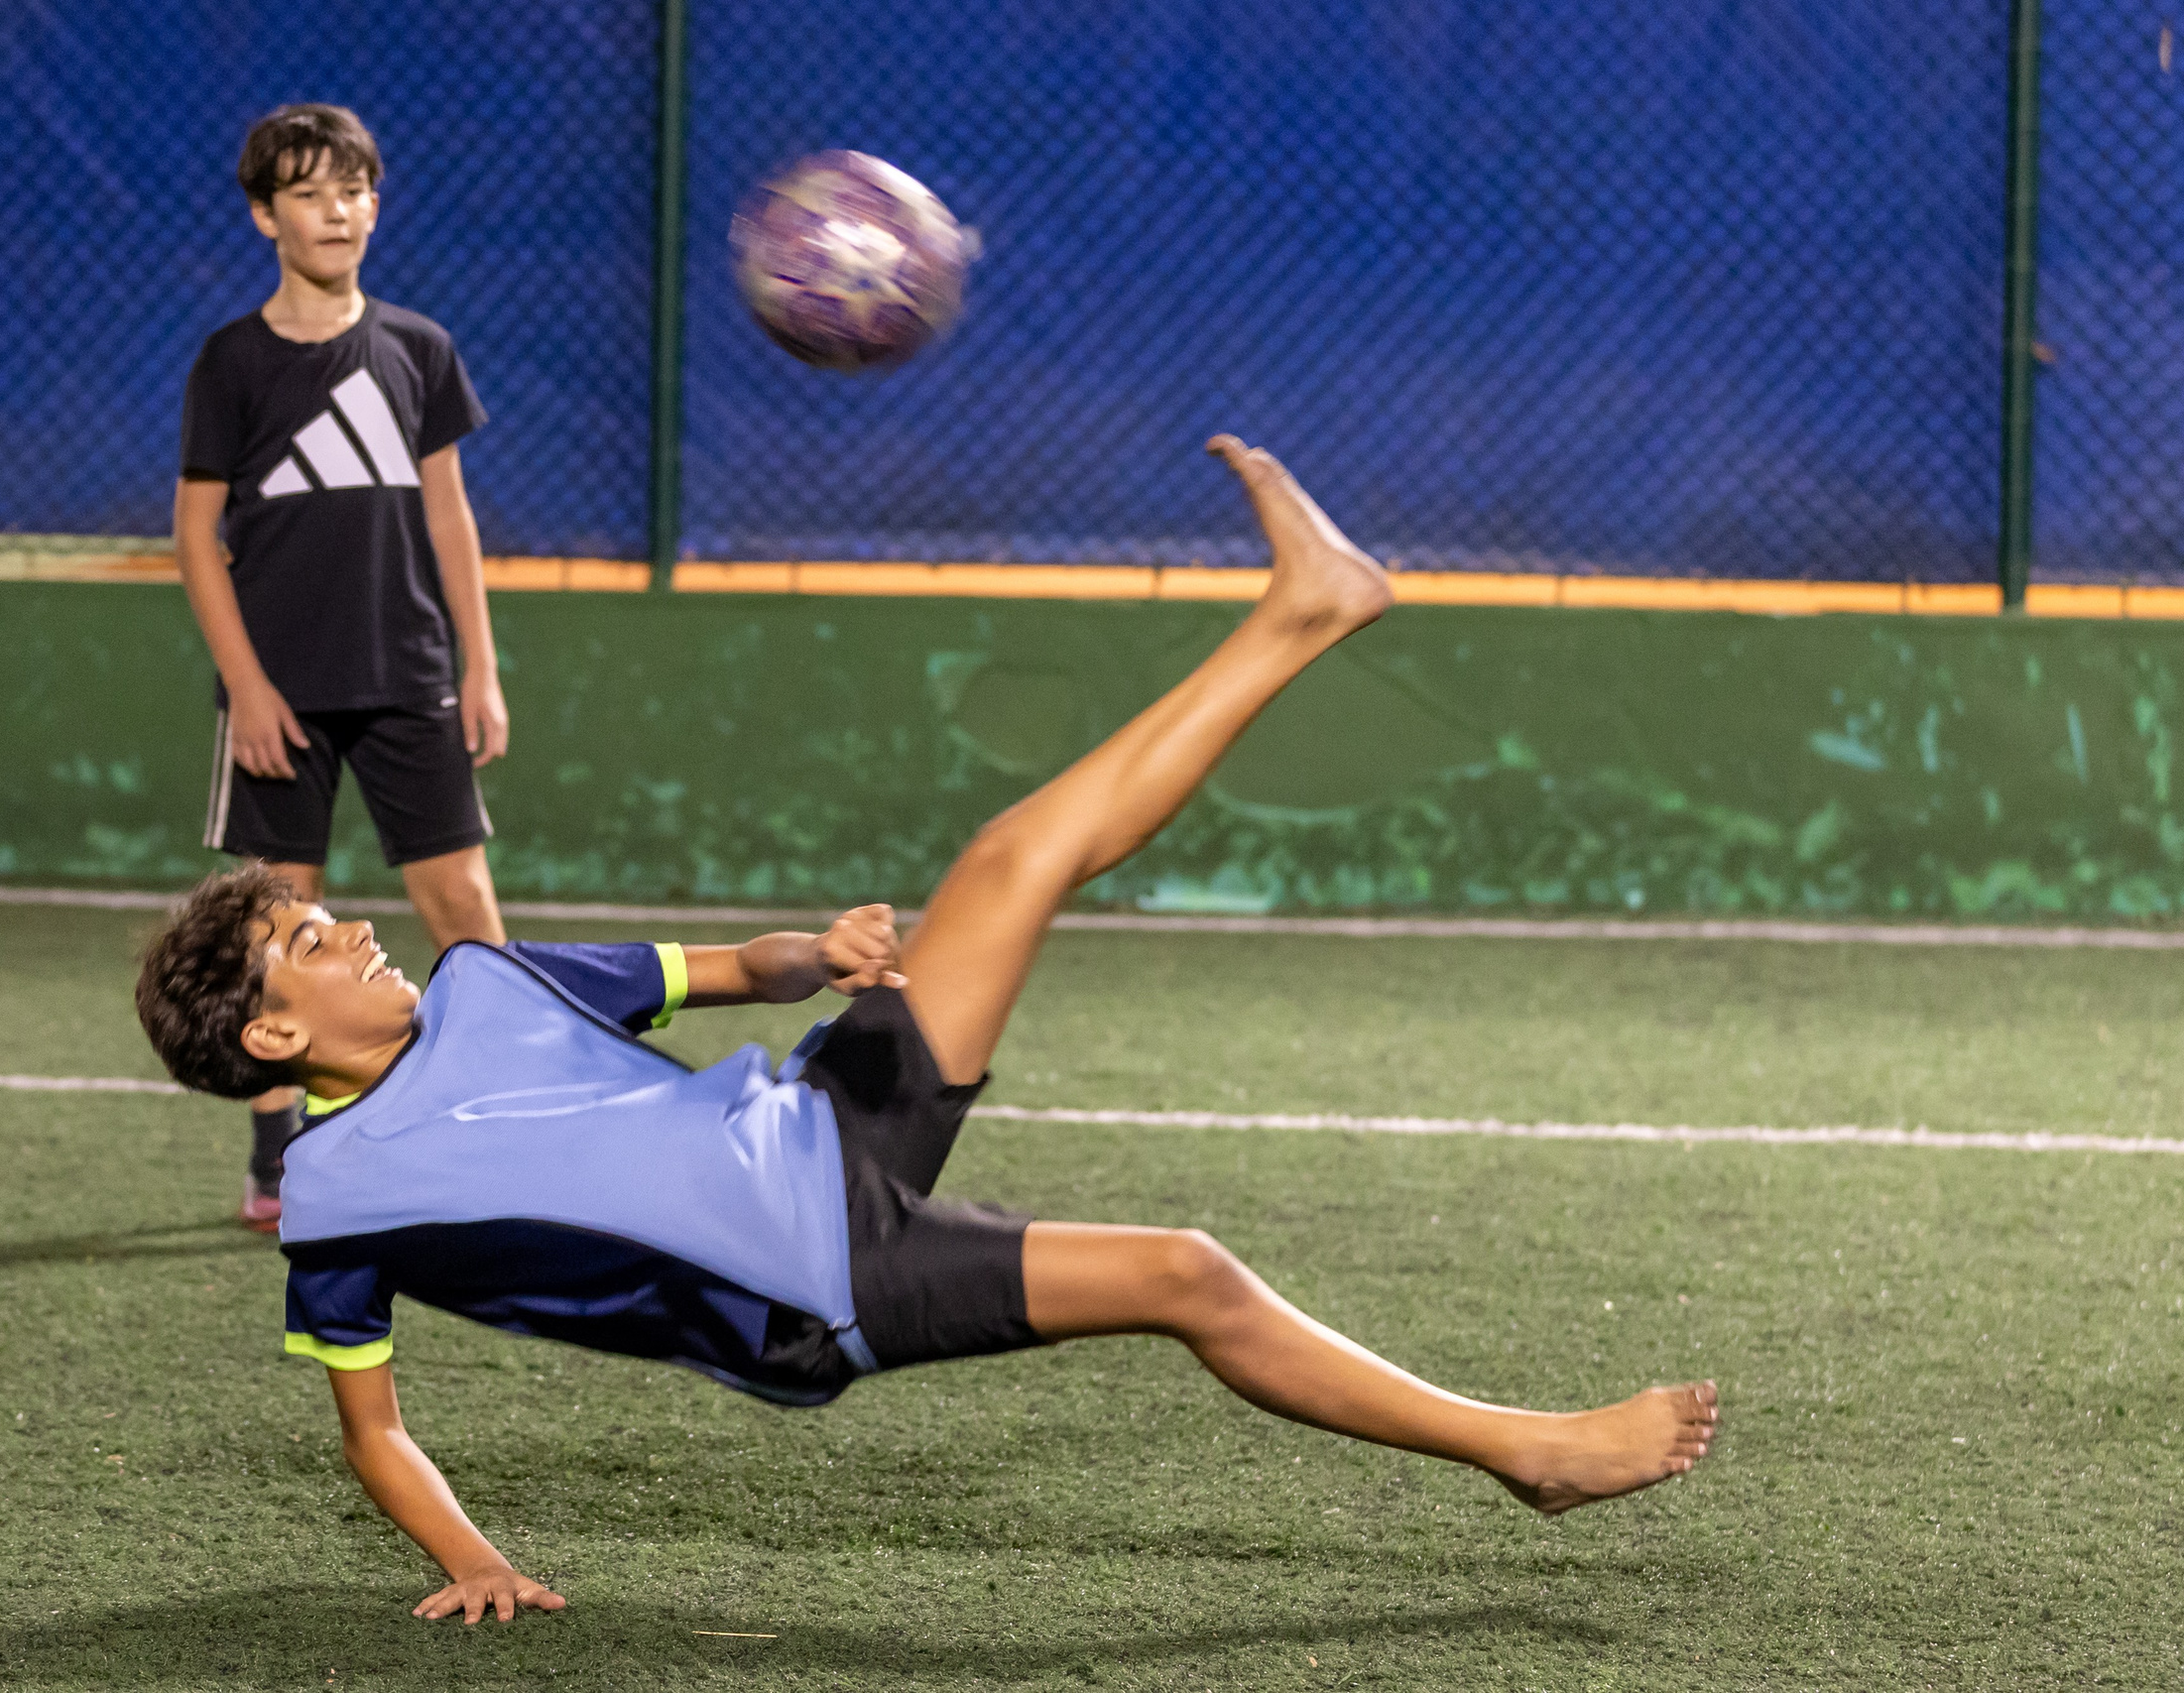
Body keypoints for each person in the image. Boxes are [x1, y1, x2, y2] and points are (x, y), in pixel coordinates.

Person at [136, 437, 1720, 1626]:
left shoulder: (491, 978)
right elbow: (376, 1424)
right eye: (313, 939)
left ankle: (1309, 608)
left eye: (331, 914)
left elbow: (724, 970)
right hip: (816, 1285)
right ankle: (1532, 1448)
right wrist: (475, 1557)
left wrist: (812, 953)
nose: (352, 927)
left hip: (825, 1117)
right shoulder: (342, 1203)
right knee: (1186, 1269)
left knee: (1009, 856)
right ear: (274, 1037)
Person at [172, 104, 511, 1233]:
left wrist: (480, 666)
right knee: (279, 925)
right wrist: (249, 685)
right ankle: (281, 1158)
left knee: (461, 899)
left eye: (355, 189)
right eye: (311, 192)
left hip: (409, 671)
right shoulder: (233, 362)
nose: (338, 211)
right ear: (267, 214)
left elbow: (452, 519)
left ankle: (496, 1114)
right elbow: (195, 537)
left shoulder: (418, 349)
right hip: (284, 692)